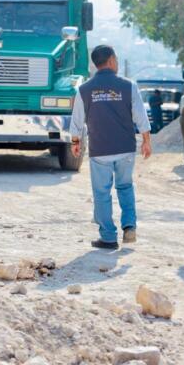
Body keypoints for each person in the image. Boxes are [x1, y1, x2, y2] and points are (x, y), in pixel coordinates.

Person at [70, 45, 152, 249]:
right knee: (125, 187)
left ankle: (108, 237)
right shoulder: (128, 85)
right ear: (112, 60)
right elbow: (140, 116)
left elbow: (77, 121)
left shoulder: (84, 89)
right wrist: (146, 141)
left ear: (95, 64)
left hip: (100, 149)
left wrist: (75, 143)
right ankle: (129, 226)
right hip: (125, 148)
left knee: (102, 192)